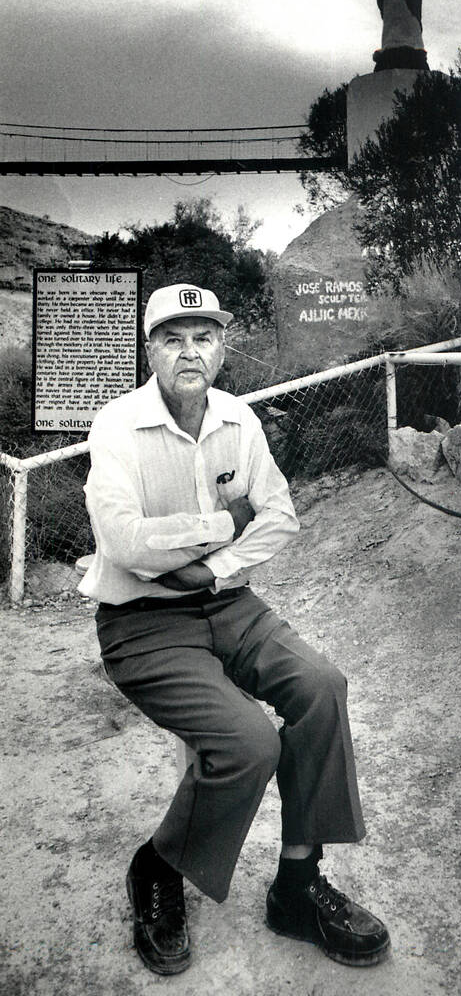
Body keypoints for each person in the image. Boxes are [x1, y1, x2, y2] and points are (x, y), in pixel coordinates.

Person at [79, 282, 390, 975]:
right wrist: (228, 521)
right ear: (149, 347)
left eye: (204, 337)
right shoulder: (116, 425)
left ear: (221, 346)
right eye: (173, 337)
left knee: (322, 686)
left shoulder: (237, 420)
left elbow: (280, 514)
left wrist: (211, 570)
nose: (190, 352)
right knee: (249, 741)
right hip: (140, 623)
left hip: (226, 602)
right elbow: (124, 541)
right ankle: (158, 866)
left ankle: (298, 884)